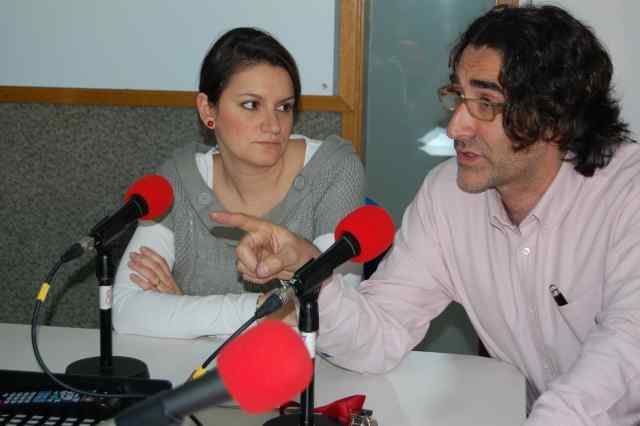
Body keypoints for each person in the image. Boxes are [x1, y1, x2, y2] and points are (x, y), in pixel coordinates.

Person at [214, 5, 640, 425]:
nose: (455, 127)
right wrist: (312, 272)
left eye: (486, 103)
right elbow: (378, 339)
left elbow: (628, 345)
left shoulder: (628, 193)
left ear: (555, 118)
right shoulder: (448, 194)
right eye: (458, 97)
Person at [112, 27, 365, 339]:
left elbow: (335, 321)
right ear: (208, 109)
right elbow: (126, 311)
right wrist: (261, 310)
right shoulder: (178, 179)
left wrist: (185, 311)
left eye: (284, 107)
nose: (273, 125)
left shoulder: (334, 171)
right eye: (251, 105)